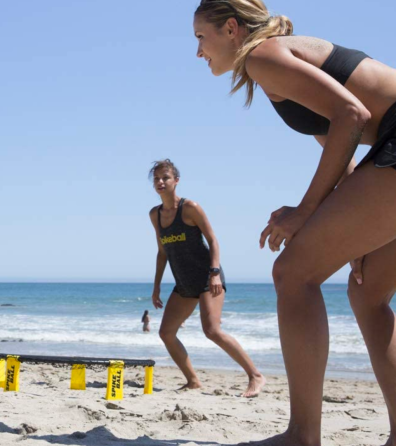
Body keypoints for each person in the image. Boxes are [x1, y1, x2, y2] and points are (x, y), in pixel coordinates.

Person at [193, 0, 396, 444]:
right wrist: (352, 238)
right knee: (367, 292)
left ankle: (303, 435)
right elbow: (339, 147)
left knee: (292, 273)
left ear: (231, 29)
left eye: (200, 38)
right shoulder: (274, 63)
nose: (198, 52)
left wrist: (305, 212)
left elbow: (353, 117)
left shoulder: (264, 56)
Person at [148, 159, 265, 397]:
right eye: (157, 178)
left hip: (207, 276)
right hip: (183, 282)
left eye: (165, 178)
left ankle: (256, 375)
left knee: (212, 330)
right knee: (166, 332)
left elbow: (213, 240)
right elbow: (162, 253)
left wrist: (214, 273)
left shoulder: (190, 208)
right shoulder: (155, 215)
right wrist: (156, 286)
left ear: (176, 181)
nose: (160, 182)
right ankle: (193, 381)